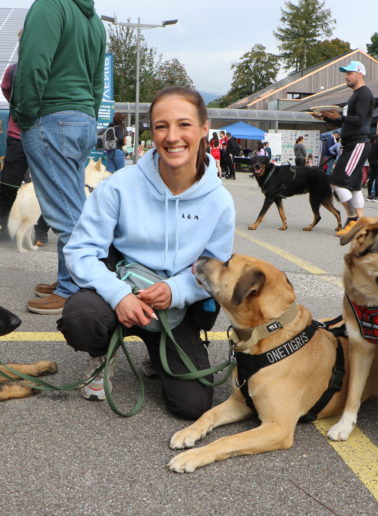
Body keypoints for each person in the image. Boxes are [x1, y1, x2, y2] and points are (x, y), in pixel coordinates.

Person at [57, 87, 235, 419]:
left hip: (174, 309)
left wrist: (176, 290)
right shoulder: (119, 185)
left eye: (184, 124)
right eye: (161, 126)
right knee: (81, 319)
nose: (172, 137)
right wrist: (119, 295)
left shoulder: (219, 201)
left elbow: (216, 269)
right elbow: (80, 251)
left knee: (192, 406)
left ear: (203, 128)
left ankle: (158, 355)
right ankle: (101, 353)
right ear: (151, 131)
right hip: (120, 291)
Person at [11, 0, 106, 314]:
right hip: (82, 119)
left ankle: (74, 288)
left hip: (51, 117)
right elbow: (97, 81)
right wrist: (88, 115)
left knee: (66, 214)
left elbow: (32, 65)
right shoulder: (93, 19)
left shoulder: (49, 6)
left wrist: (25, 115)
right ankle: (71, 277)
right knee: (76, 207)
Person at [312, 61, 374, 236]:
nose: (346, 76)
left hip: (357, 143)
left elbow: (359, 120)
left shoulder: (363, 94)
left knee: (337, 181)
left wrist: (339, 116)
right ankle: (360, 223)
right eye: (346, 73)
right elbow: (348, 122)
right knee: (353, 186)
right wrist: (326, 118)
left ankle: (353, 220)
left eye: (349, 73)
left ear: (360, 74)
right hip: (353, 144)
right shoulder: (357, 94)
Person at [0, 61, 29, 241]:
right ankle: (4, 225)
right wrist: (17, 106)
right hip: (17, 135)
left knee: (45, 185)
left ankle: (40, 230)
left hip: (43, 135)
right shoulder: (13, 69)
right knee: (8, 183)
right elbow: (5, 88)